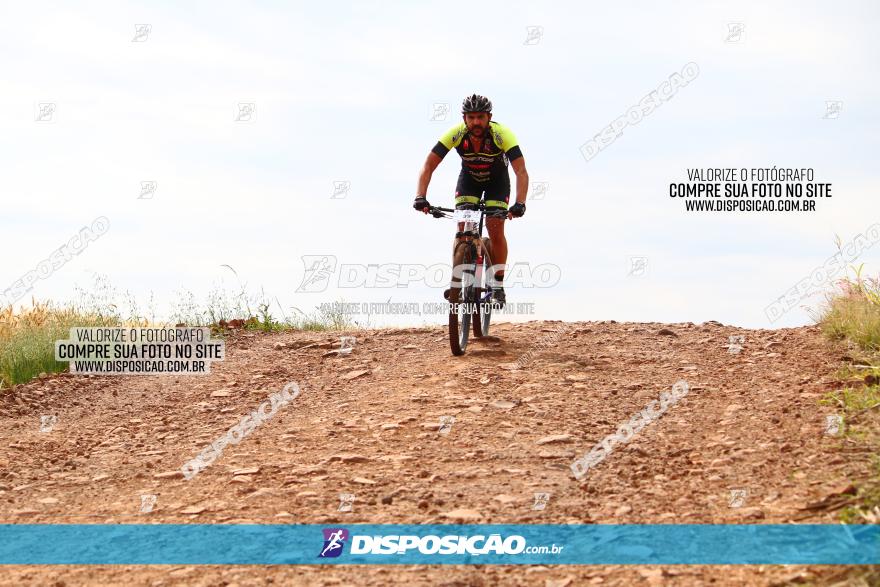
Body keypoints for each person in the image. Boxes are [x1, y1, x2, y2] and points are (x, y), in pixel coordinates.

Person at [413, 93, 529, 307]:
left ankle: (498, 284)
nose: (476, 122)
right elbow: (428, 165)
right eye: (472, 117)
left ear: (489, 117)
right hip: (469, 181)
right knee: (462, 228)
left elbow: (521, 171)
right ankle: (457, 279)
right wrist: (421, 196)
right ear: (464, 118)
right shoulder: (456, 134)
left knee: (495, 229)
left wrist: (520, 203)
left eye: (481, 117)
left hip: (497, 183)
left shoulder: (502, 134)